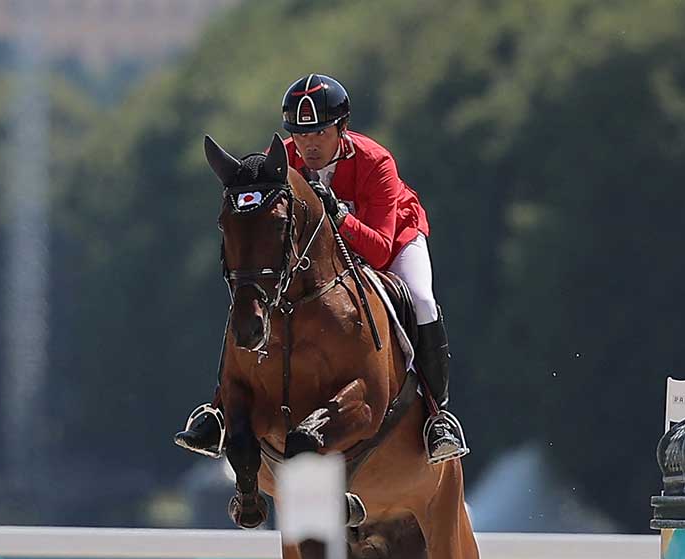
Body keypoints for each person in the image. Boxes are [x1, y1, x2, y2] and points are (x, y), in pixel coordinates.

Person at [175, 74, 468, 464]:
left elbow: (379, 252)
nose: (308, 144)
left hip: (394, 238)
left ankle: (437, 416)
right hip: (324, 257)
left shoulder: (375, 161)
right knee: (253, 300)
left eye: (319, 132)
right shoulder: (282, 160)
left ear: (341, 128)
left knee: (421, 300)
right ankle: (219, 411)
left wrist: (338, 215)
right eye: (299, 133)